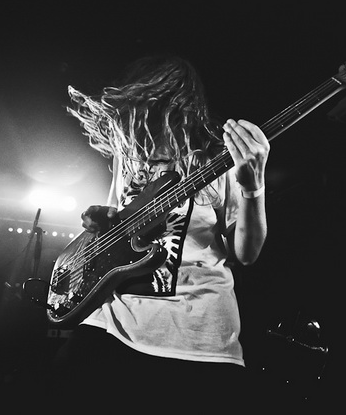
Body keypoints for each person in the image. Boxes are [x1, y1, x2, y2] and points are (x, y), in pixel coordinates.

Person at [47, 55, 269, 410]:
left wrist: (253, 187)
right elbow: (111, 231)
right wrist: (100, 219)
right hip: (113, 321)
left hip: (195, 335)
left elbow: (246, 252)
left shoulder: (217, 158)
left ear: (174, 108)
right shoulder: (129, 158)